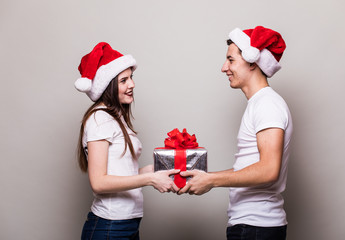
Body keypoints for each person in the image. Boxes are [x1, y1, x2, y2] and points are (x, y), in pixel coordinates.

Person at [178, 26, 293, 240]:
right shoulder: (259, 104)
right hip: (251, 226)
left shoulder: (267, 105)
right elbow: (250, 166)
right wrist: (206, 178)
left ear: (252, 61)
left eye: (231, 60)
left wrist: (211, 180)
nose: (224, 68)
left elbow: (268, 170)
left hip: (256, 227)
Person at [74, 42, 180, 240]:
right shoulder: (99, 119)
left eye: (131, 77)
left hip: (127, 225)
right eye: (124, 80)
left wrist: (154, 170)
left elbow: (121, 173)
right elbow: (98, 182)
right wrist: (149, 180)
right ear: (108, 86)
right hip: (109, 228)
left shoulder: (115, 117)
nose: (132, 84)